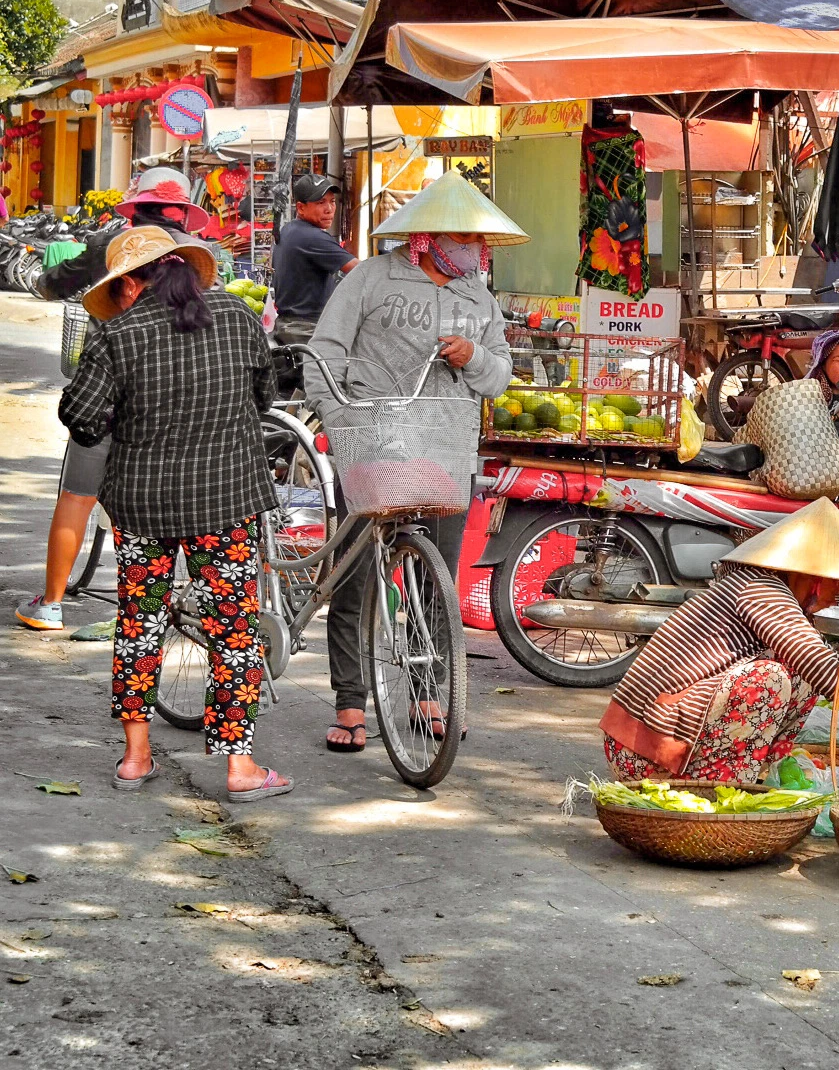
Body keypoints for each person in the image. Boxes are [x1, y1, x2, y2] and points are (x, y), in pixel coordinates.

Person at [57, 227, 292, 799]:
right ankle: (241, 769)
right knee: (235, 629)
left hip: (143, 505)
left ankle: (136, 758)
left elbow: (82, 418)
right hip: (227, 498)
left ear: (135, 282)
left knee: (139, 624)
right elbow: (264, 396)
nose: (117, 299)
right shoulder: (237, 317)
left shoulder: (117, 336)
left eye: (118, 289)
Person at [303, 173, 524, 752]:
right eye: (460, 237)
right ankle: (350, 701)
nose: (473, 250)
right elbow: (324, 353)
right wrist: (337, 412)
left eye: (477, 241)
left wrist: (475, 355)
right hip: (372, 446)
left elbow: (500, 375)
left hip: (446, 451)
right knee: (356, 579)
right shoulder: (373, 277)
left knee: (436, 579)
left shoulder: (478, 294)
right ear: (426, 237)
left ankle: (429, 696)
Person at [601, 498, 839, 781]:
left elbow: (817, 664)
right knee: (770, 679)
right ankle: (723, 786)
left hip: (664, 734)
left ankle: (759, 775)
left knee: (799, 678)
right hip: (643, 749)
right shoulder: (760, 589)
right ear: (814, 574)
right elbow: (816, 662)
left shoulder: (769, 592)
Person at [16, 169, 212, 633]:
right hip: (184, 393)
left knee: (78, 494)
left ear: (135, 207)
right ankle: (183, 606)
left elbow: (53, 283)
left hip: (110, 385)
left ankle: (51, 604)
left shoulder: (113, 244)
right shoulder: (201, 255)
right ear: (184, 211)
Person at [271, 173, 358, 384]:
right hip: (305, 329)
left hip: (291, 326)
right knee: (330, 391)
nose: (329, 209)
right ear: (301, 208)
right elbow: (360, 271)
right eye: (321, 203)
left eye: (332, 202)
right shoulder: (311, 236)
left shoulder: (291, 230)